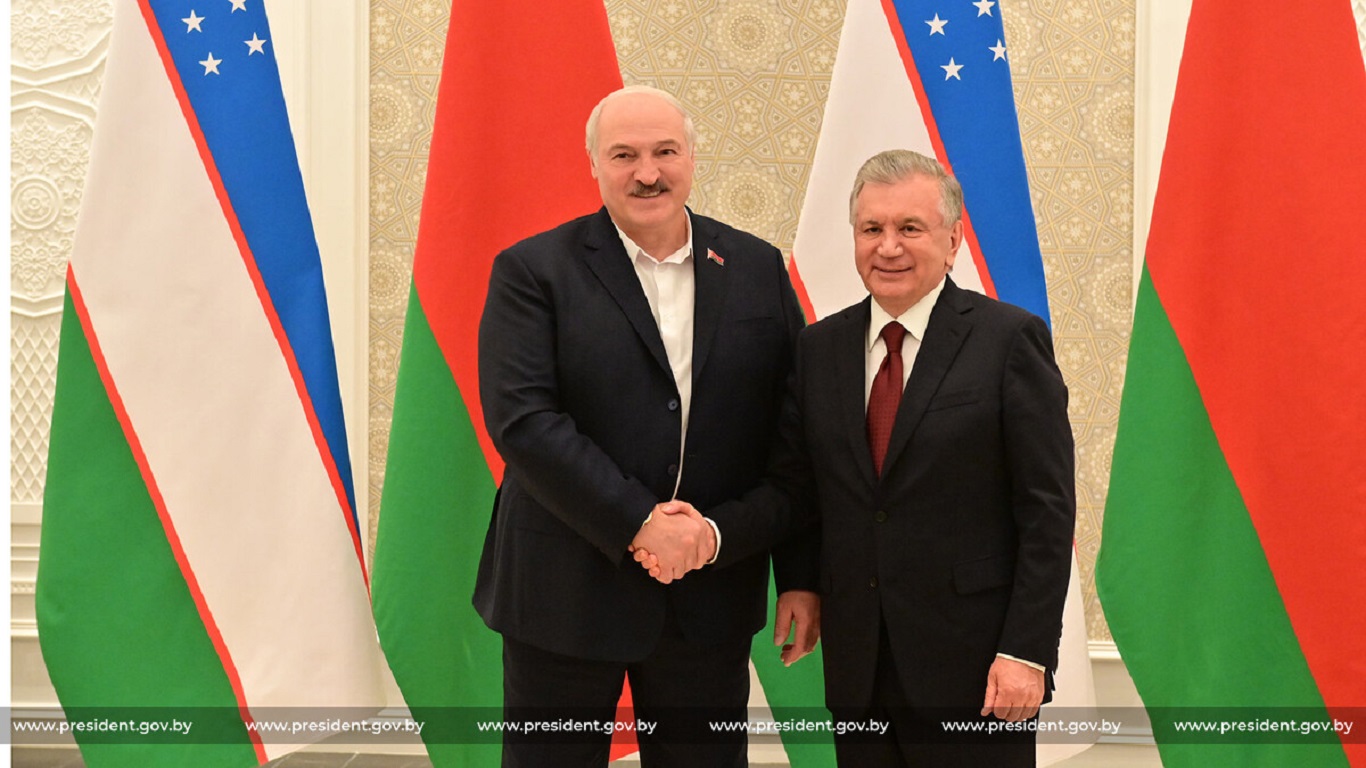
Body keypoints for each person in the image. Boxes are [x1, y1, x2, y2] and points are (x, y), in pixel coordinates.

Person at [641, 149, 1075, 766]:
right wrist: (781, 570)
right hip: (859, 663)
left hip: (976, 667)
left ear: (953, 241)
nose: (888, 247)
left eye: (910, 228)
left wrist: (1026, 652)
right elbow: (800, 488)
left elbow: (1046, 512)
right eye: (872, 228)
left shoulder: (1008, 340)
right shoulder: (819, 348)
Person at [473, 85, 818, 768]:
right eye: (624, 155)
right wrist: (640, 521)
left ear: (692, 157)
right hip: (563, 592)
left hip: (709, 592)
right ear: (593, 165)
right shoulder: (532, 271)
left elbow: (795, 435)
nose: (648, 173)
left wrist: (799, 574)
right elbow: (525, 422)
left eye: (665, 152)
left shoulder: (757, 268)